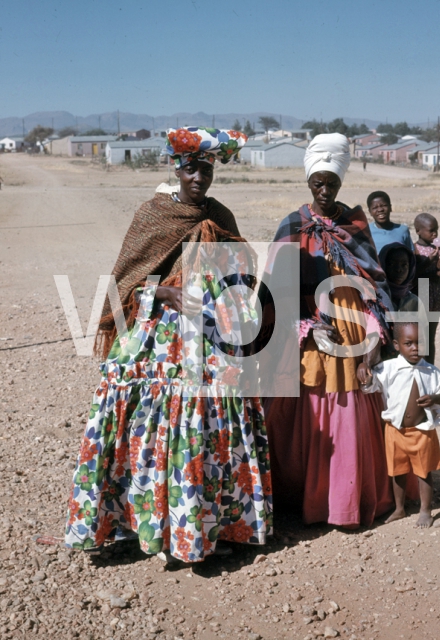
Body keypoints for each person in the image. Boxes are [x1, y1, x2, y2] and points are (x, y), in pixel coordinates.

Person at [65, 127, 273, 563]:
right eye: (191, 168)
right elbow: (124, 281)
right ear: (177, 169)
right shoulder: (154, 214)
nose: (199, 177)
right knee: (151, 424)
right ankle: (141, 522)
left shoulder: (220, 215)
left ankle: (205, 526)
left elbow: (243, 267)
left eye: (206, 169)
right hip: (160, 338)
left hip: (212, 334)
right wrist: (164, 293)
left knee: (210, 425)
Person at [261, 132, 395, 529]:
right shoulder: (292, 225)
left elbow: (374, 285)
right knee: (314, 412)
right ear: (308, 181)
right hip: (313, 337)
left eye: (332, 184)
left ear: (341, 184)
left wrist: (374, 331)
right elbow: (274, 293)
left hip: (353, 331)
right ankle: (309, 498)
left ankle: (347, 502)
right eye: (318, 183)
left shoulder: (354, 225)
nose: (324, 190)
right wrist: (304, 328)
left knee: (352, 410)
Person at [357, 322, 440, 528]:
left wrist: (435, 398)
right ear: (397, 345)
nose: (415, 348)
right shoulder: (388, 368)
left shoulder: (433, 372)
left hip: (422, 432)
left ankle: (425, 510)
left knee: (424, 472)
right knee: (397, 471)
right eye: (409, 343)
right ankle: (399, 508)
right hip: (395, 431)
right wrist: (364, 370)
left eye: (420, 343)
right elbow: (371, 386)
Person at [412, 213, 440, 364]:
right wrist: (429, 262)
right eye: (431, 230)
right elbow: (414, 274)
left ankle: (431, 370)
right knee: (421, 336)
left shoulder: (439, 249)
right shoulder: (414, 250)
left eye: (437, 230)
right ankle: (420, 371)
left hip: (436, 295)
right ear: (418, 231)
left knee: (430, 336)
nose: (435, 234)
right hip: (422, 293)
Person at [367, 191, 415, 255]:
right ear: (370, 212)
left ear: (390, 207)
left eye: (384, 205)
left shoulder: (402, 230)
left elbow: (411, 255)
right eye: (375, 207)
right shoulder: (366, 232)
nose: (380, 210)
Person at [379, 242, 419, 312]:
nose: (398, 270)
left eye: (404, 265)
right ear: (383, 265)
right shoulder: (375, 299)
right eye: (391, 264)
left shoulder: (414, 302)